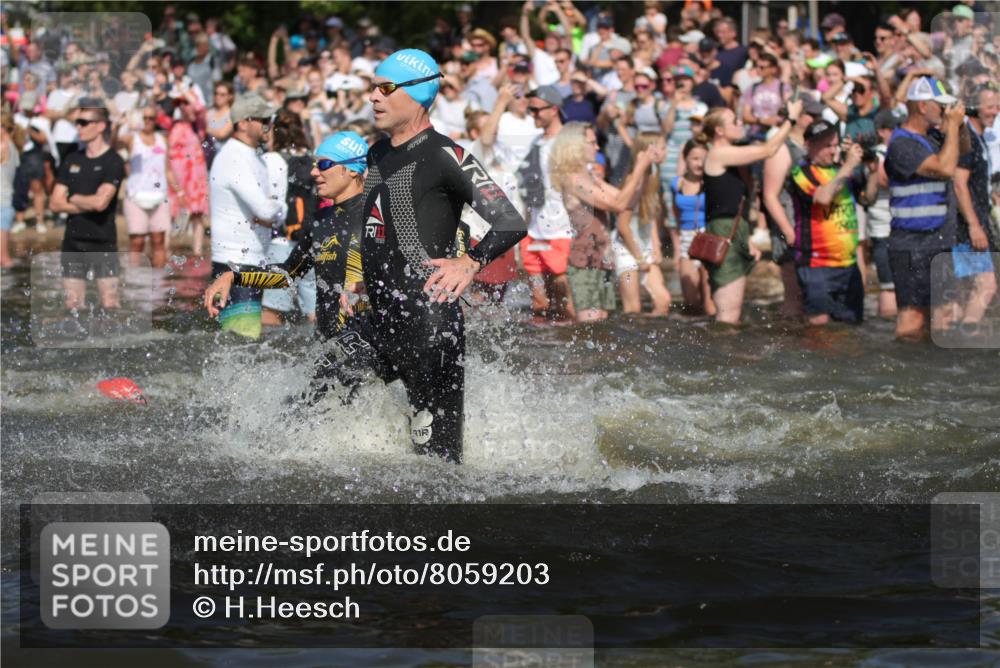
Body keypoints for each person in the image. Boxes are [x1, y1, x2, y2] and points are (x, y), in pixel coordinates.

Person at [319, 48, 526, 464]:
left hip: (429, 326)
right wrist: (358, 274)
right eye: (372, 86)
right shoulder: (376, 153)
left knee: (435, 461)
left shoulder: (445, 155)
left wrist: (470, 262)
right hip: (379, 319)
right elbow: (375, 221)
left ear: (418, 93)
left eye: (385, 87)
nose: (374, 96)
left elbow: (510, 221)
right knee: (316, 397)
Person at [205, 131, 368, 340]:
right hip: (328, 345)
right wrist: (234, 275)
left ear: (353, 170)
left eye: (324, 165)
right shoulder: (320, 220)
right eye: (315, 165)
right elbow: (289, 275)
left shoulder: (377, 215)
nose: (314, 173)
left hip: (370, 345)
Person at [701, 99, 804, 324]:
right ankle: (720, 356)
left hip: (735, 230)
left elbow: (733, 204)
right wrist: (791, 120)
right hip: (724, 232)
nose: (740, 123)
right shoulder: (719, 154)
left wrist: (746, 239)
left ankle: (727, 355)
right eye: (734, 121)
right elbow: (768, 150)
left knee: (732, 314)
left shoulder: (730, 154)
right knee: (728, 317)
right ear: (719, 130)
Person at [550, 122, 662, 322]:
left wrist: (644, 171)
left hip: (602, 259)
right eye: (592, 143)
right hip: (585, 261)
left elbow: (628, 201)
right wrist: (638, 169)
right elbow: (618, 205)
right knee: (589, 328)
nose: (597, 147)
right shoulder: (574, 179)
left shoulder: (589, 176)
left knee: (602, 328)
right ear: (575, 146)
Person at [884, 77, 965, 341]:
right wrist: (951, 125)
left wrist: (958, 126)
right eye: (938, 105)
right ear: (921, 106)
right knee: (912, 320)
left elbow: (962, 151)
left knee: (942, 317)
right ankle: (902, 375)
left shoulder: (931, 138)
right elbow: (944, 168)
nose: (943, 111)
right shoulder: (901, 143)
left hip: (937, 239)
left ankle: (933, 375)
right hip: (911, 243)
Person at [208, 93, 287, 339]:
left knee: (246, 341)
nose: (269, 124)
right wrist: (271, 209)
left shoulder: (256, 158)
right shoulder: (233, 157)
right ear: (243, 123)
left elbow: (276, 214)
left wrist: (272, 210)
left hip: (253, 260)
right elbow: (266, 210)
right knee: (240, 341)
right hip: (233, 260)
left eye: (270, 118)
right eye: (263, 119)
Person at [787, 120, 879, 325]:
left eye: (834, 145)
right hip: (817, 265)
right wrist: (848, 166)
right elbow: (823, 198)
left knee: (851, 329)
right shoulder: (801, 173)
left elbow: (868, 199)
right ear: (809, 146)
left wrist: (873, 172)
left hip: (848, 265)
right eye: (826, 146)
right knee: (819, 331)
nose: (832, 151)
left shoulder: (842, 170)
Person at [49, 101, 126, 321]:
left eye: (83, 122)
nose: (79, 128)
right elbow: (54, 203)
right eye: (77, 123)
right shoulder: (72, 159)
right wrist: (85, 202)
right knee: (72, 305)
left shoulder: (113, 161)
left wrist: (72, 198)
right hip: (72, 241)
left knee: (110, 304)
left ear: (101, 126)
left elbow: (101, 203)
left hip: (102, 242)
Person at [514, 85, 573, 322]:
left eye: (537, 110)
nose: (533, 115)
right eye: (530, 110)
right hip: (534, 232)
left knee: (565, 305)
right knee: (538, 304)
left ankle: (571, 353)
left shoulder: (569, 142)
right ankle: (543, 351)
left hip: (561, 231)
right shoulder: (536, 143)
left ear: (554, 109)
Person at [762, 97, 823, 320]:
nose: (817, 119)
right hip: (788, 224)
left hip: (811, 226)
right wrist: (788, 230)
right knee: (794, 294)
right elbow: (769, 195)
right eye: (812, 115)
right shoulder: (782, 148)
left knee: (811, 293)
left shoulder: (810, 146)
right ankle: (790, 344)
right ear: (797, 116)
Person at [259, 110, 318, 326]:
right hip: (309, 243)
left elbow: (266, 205)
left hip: (281, 243)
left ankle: (270, 355)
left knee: (272, 312)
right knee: (314, 313)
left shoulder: (270, 160)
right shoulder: (311, 158)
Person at [950, 84, 998, 329]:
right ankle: (965, 335)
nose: (995, 111)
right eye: (990, 106)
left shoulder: (978, 137)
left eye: (998, 106)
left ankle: (956, 341)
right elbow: (959, 184)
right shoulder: (967, 139)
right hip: (967, 227)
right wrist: (974, 226)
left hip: (972, 224)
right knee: (987, 285)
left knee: (965, 289)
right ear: (974, 107)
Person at [614, 132, 672, 316]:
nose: (666, 151)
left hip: (644, 245)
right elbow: (622, 225)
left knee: (663, 302)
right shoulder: (634, 180)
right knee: (633, 309)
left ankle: (652, 341)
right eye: (662, 147)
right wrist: (639, 258)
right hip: (626, 248)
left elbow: (650, 214)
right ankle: (630, 343)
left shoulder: (654, 174)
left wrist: (656, 244)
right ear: (649, 151)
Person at [121, 106, 171, 268]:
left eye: (151, 118)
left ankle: (158, 284)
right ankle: (135, 281)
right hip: (136, 195)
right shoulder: (131, 138)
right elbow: (114, 142)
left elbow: (168, 168)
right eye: (145, 118)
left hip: (159, 193)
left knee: (159, 240)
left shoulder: (163, 139)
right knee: (137, 241)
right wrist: (116, 126)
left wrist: (180, 191)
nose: (148, 121)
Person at [671, 139, 713, 315]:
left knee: (711, 306)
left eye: (703, 159)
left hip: (709, 238)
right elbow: (676, 217)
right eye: (694, 158)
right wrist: (677, 249)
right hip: (687, 239)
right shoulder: (676, 184)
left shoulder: (712, 183)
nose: (699, 164)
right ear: (685, 159)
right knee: (691, 303)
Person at [167, 92, 209, 255]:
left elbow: (201, 111)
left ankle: (197, 251)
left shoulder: (198, 126)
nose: (184, 107)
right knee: (171, 213)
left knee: (197, 214)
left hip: (195, 176)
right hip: (177, 175)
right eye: (181, 104)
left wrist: (191, 97)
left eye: (186, 104)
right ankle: (167, 251)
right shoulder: (174, 125)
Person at [1, 113, 20, 268]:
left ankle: (14, 290)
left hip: (2, 202)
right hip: (5, 201)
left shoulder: (5, 146)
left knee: (4, 258)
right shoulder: (11, 146)